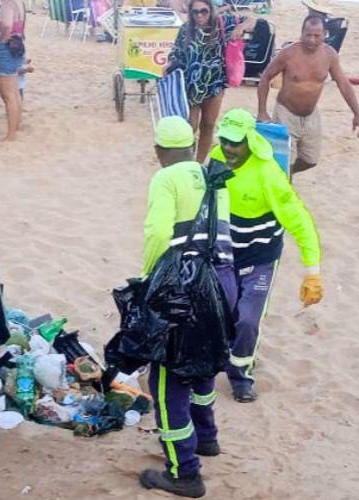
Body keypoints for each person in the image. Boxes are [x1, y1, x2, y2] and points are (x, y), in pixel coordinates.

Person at [138, 116, 236, 498]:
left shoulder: (165, 178)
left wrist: (149, 280)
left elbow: (159, 233)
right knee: (204, 364)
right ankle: (207, 437)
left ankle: (184, 471)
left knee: (166, 380)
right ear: (193, 143)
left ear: (159, 151)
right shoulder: (211, 174)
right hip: (223, 281)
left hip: (185, 287)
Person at [207, 108, 322, 402]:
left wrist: (313, 271)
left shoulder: (268, 174)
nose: (229, 148)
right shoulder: (217, 158)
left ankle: (240, 376)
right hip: (225, 254)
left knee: (248, 319)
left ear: (250, 141)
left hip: (260, 257)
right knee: (225, 313)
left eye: (236, 142)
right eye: (224, 140)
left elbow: (299, 221)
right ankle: (232, 353)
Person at [256, 15, 359, 174]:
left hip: (311, 115)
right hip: (286, 113)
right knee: (286, 161)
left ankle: (279, 175)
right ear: (301, 33)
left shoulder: (329, 55)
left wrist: (357, 114)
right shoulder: (288, 54)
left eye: (317, 35)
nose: (312, 40)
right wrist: (262, 111)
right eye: (308, 35)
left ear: (324, 34)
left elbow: (343, 84)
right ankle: (285, 184)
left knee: (310, 160)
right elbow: (265, 78)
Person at [166, 0, 255, 164]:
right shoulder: (185, 30)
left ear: (211, 10)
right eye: (195, 12)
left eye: (204, 11)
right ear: (190, 13)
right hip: (191, 86)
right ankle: (186, 161)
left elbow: (252, 20)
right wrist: (169, 65)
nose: (200, 15)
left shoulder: (222, 23)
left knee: (208, 124)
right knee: (189, 127)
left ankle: (199, 163)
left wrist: (239, 28)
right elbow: (176, 53)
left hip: (214, 85)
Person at [0, 0, 26, 141]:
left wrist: (2, 39)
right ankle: (16, 126)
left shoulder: (8, 3)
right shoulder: (18, 3)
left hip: (4, 53)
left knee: (8, 96)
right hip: (12, 51)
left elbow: (7, 24)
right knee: (14, 93)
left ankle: (11, 134)